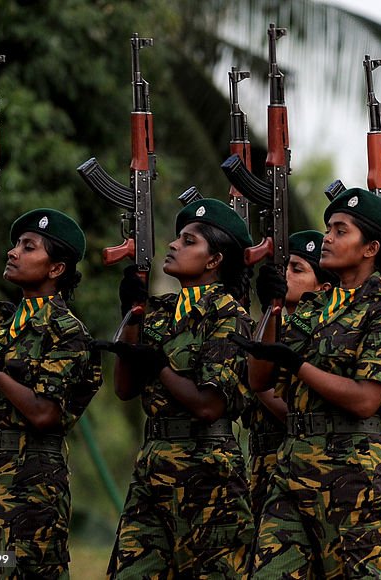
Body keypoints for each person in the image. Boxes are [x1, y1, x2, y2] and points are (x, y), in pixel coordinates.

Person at [240, 188, 381, 578]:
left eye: (340, 231)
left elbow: (366, 400)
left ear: (370, 248)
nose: (327, 239)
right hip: (293, 467)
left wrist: (297, 364)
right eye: (328, 229)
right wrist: (271, 309)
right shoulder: (313, 307)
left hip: (353, 474)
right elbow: (259, 378)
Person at [0, 209, 100, 578]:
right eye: (16, 245)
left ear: (55, 268)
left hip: (34, 481)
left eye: (28, 247)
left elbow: (45, 414)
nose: (13, 253)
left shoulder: (68, 333)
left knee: (26, 572)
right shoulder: (2, 322)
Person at [103, 198, 255, 578]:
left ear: (214, 260)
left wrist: (159, 366)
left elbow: (208, 406)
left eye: (189, 241)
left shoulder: (229, 316)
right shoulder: (159, 311)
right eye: (177, 238)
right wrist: (133, 316)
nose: (173, 245)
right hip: (153, 467)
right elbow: (124, 388)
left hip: (207, 475)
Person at [244, 230, 338, 521]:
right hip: (262, 463)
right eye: (284, 267)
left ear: (322, 288)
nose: (286, 274)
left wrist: (257, 383)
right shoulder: (273, 324)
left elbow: (297, 411)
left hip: (309, 467)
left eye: (297, 269)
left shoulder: (325, 333)